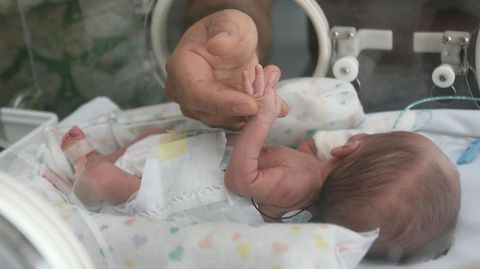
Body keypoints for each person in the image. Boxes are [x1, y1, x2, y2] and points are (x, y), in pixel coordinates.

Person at [60, 65, 460, 261]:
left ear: (351, 148)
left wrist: (263, 117)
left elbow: (241, 179)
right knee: (150, 140)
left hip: (159, 190)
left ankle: (83, 175)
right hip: (176, 159)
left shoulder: (299, 184)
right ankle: (102, 162)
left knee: (105, 180)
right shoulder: (304, 188)